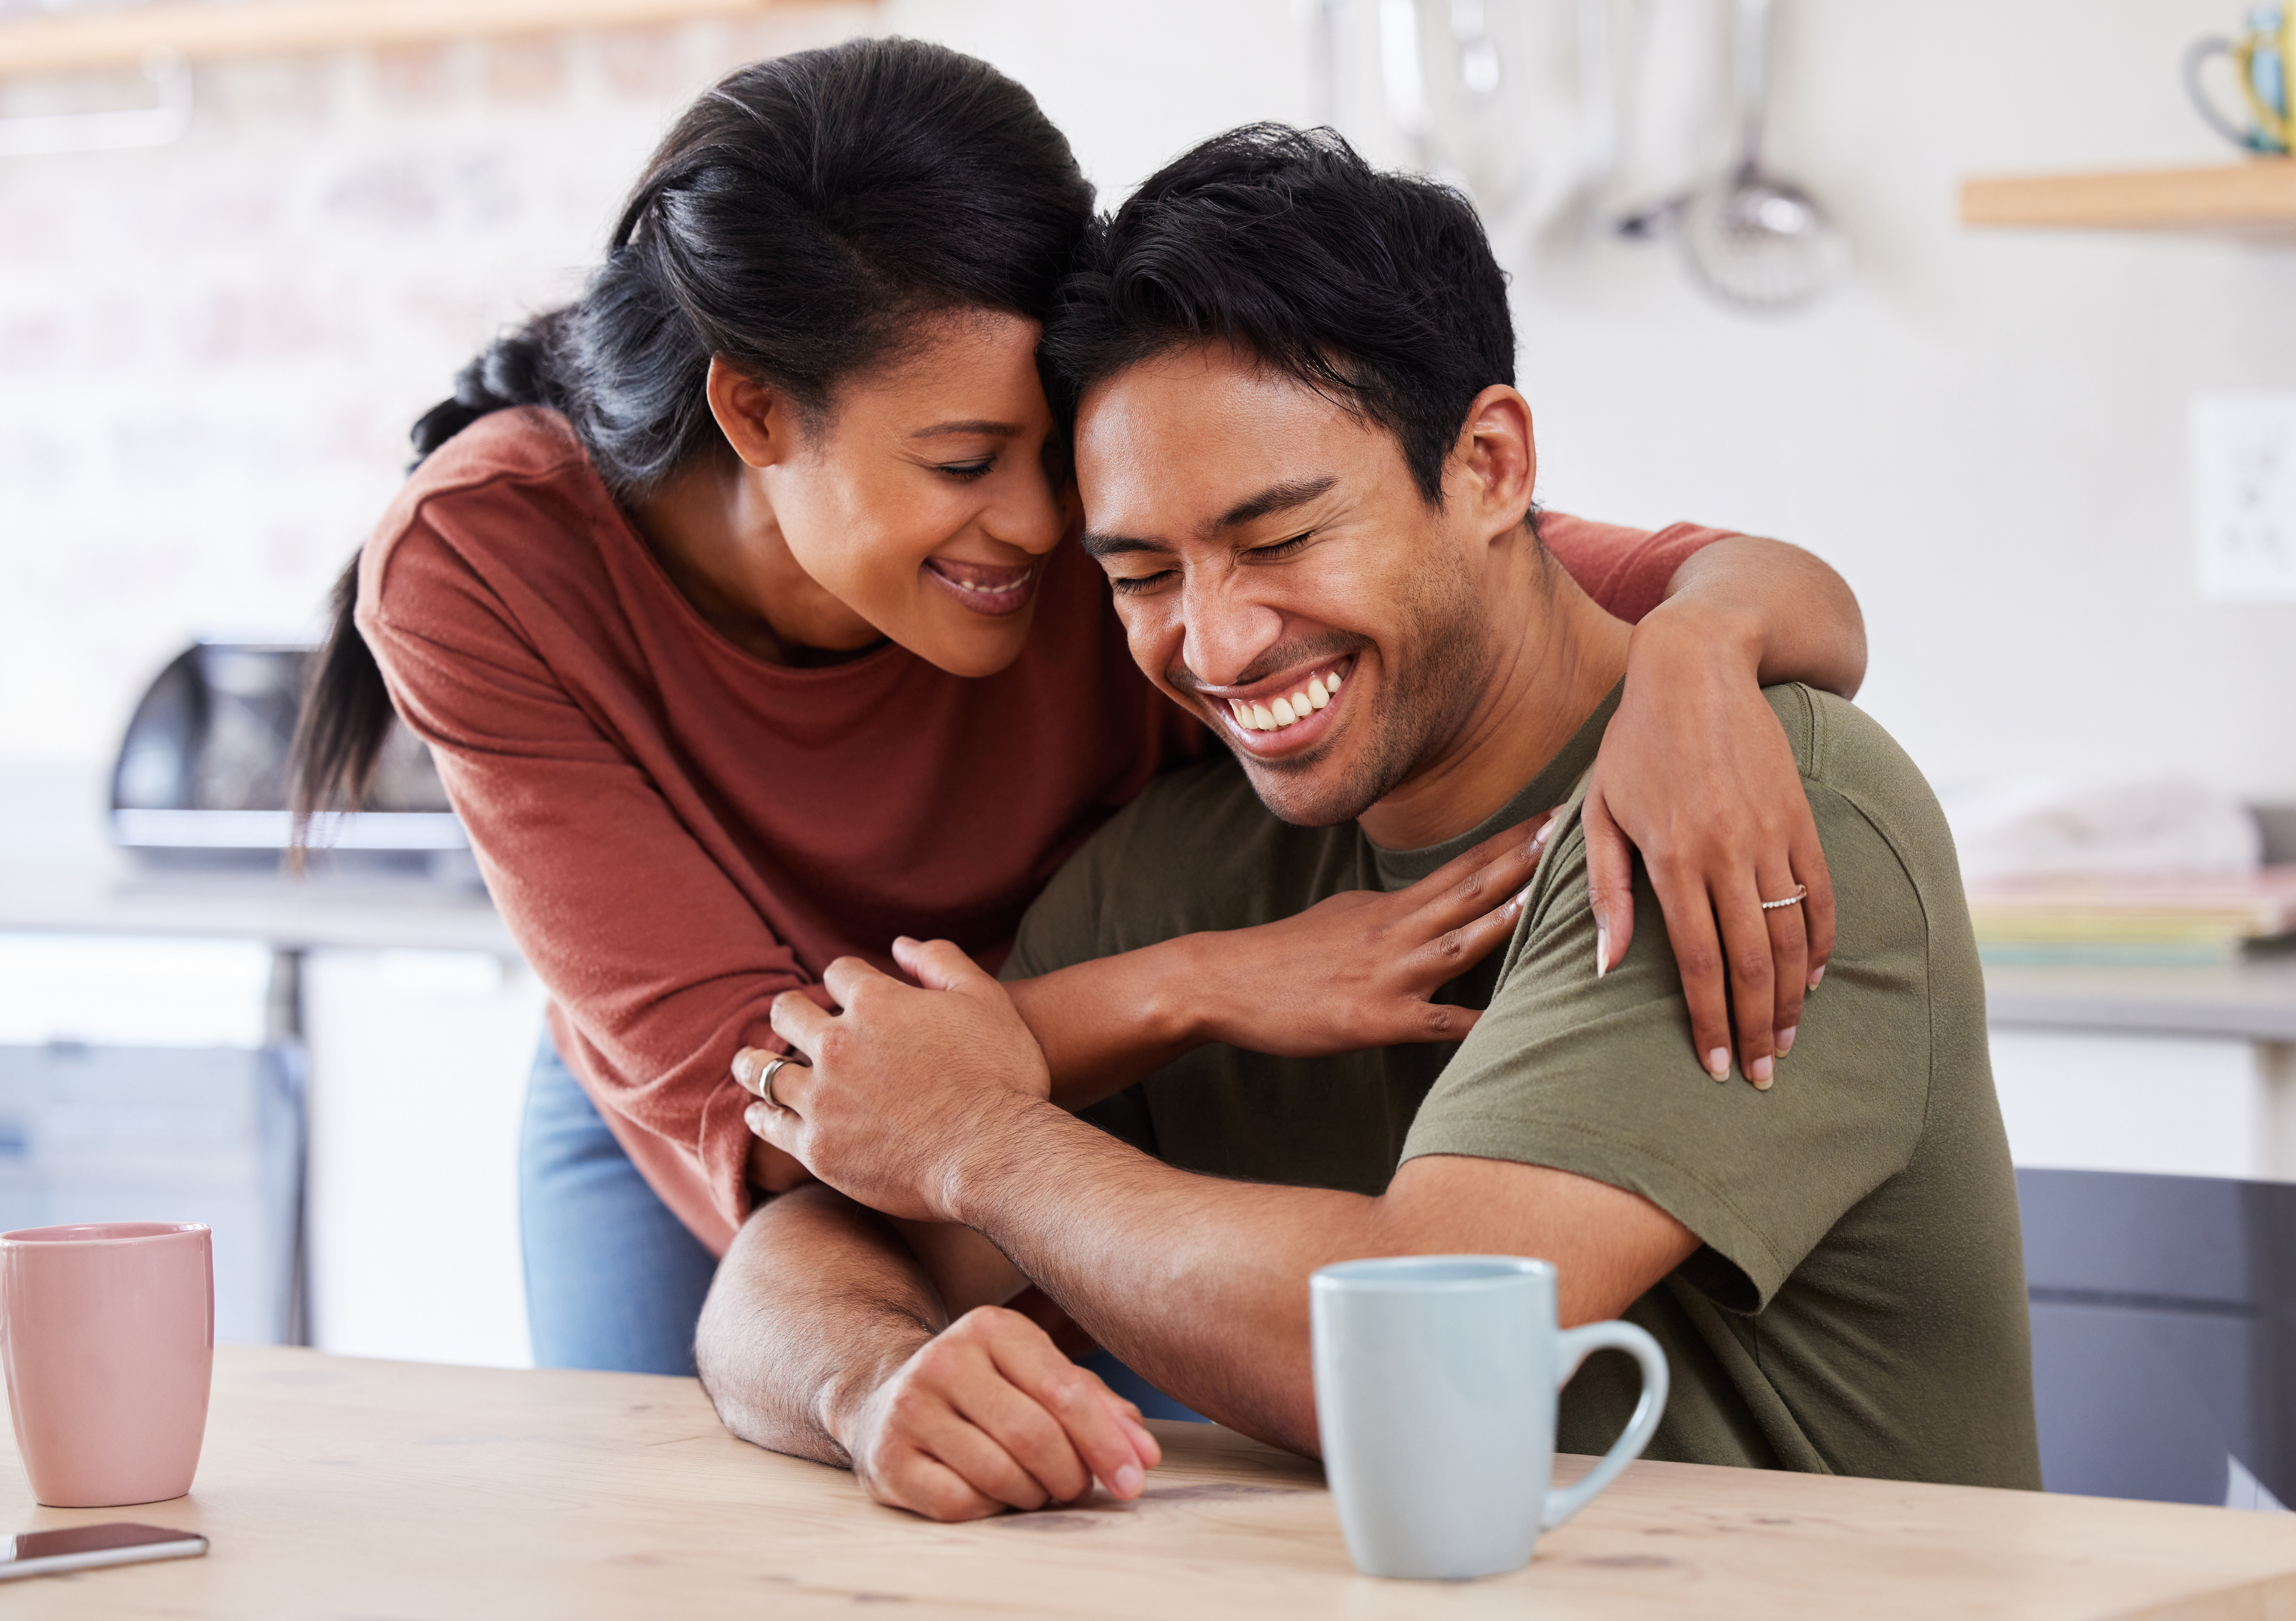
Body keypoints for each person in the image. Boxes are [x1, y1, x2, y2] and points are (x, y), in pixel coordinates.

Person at [291, 40, 1869, 1383]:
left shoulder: (1132, 525)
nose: (1047, 531)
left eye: (1053, 457)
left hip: (1071, 1097)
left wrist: (1688, 668)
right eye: (968, 465)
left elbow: (1681, 586)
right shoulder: (484, 563)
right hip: (742, 1107)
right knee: (681, 1532)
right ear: (757, 412)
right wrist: (1201, 983)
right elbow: (793, 1121)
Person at [702, 124, 2042, 1522]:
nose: (1214, 644)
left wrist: (980, 1141)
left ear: (1489, 466)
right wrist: (872, 1386)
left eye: (1279, 541)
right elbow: (795, 1269)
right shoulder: (1171, 868)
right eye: (1146, 572)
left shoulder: (1757, 815)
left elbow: (1415, 1354)